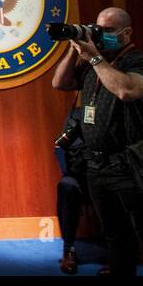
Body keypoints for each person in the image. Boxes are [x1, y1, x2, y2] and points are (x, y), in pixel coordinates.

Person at [51, 6, 143, 276]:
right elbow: (59, 83)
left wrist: (95, 58)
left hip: (131, 164)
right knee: (116, 238)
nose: (101, 35)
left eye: (108, 30)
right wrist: (75, 47)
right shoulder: (93, 64)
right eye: (98, 29)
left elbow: (126, 90)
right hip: (97, 165)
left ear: (127, 32)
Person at [53, 107, 90, 274]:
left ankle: (118, 253)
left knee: (115, 184)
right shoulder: (76, 114)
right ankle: (69, 249)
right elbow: (62, 147)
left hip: (108, 173)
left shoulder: (116, 109)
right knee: (66, 185)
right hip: (80, 175)